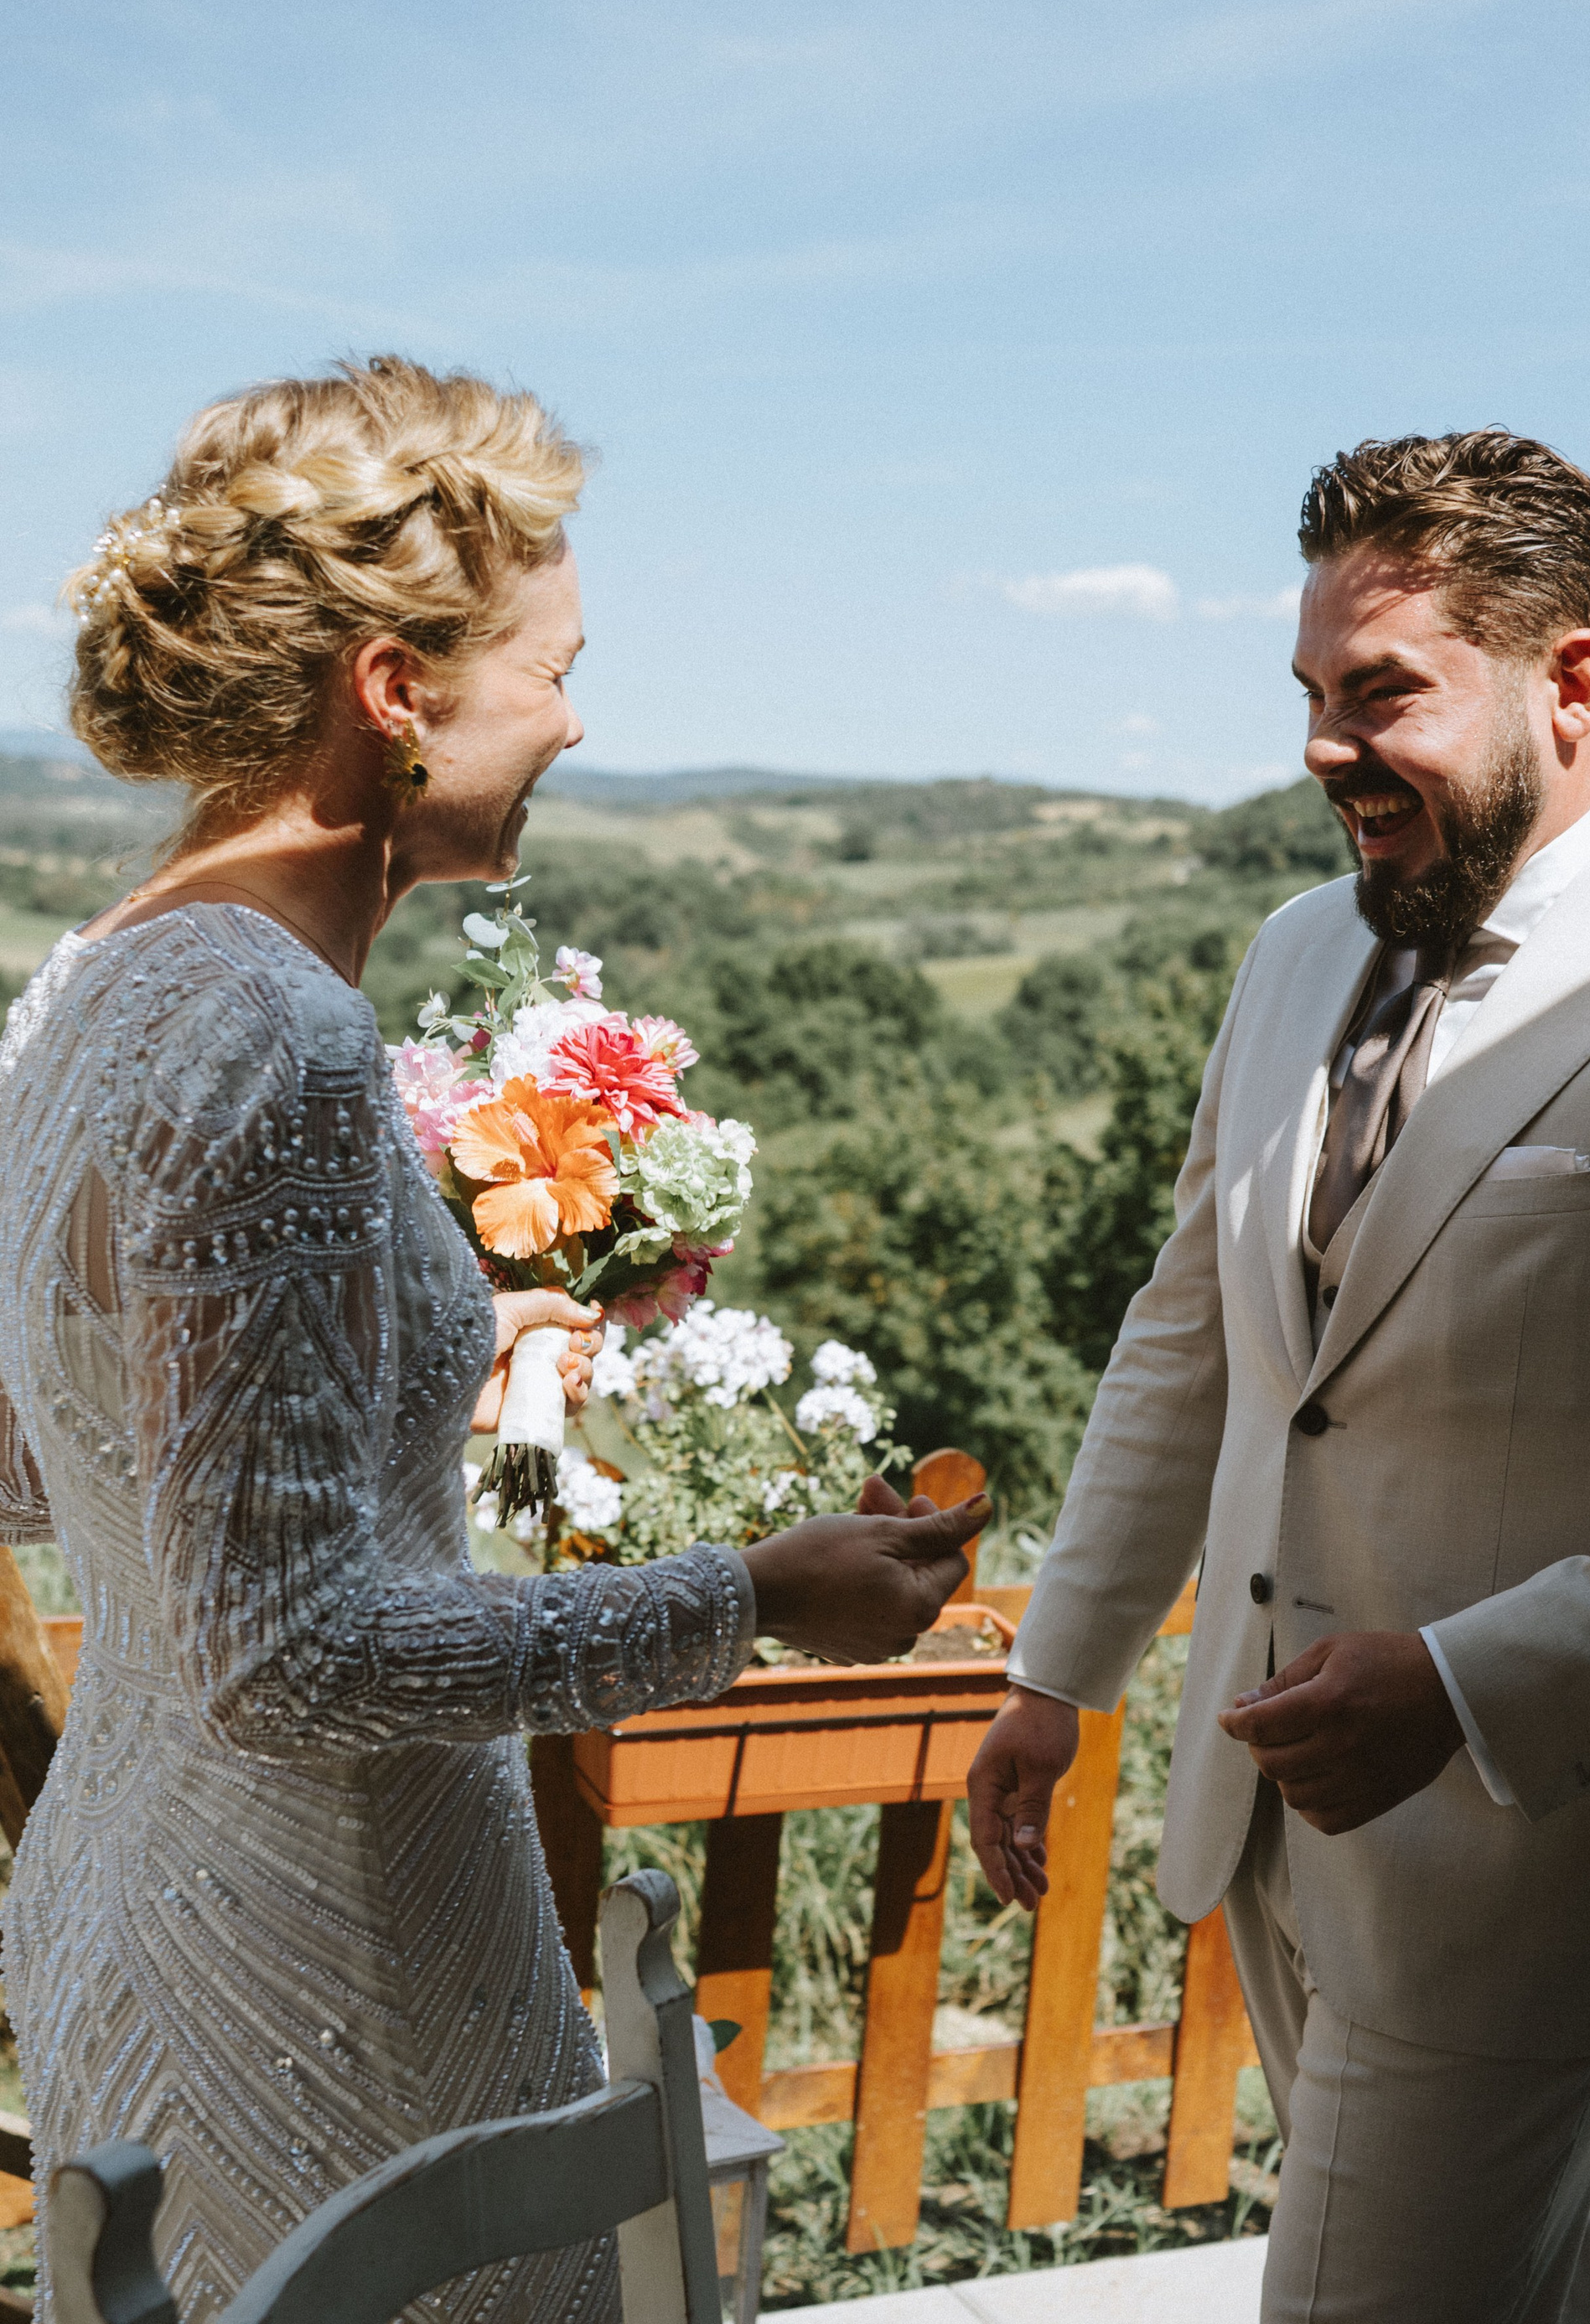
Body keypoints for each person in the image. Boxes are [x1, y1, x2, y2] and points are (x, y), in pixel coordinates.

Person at [0, 356, 989, 2324]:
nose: (573, 719)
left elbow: (48, 1451)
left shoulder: (92, 990)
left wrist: (404, 1360)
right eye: (546, 666)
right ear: (395, 690)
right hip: (336, 1946)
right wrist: (755, 1593)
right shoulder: (278, 1034)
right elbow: (288, 1657)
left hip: (125, 1909)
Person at [968, 432, 1590, 2324]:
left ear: (1570, 681)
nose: (1323, 749)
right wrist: (1055, 1673)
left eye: (1382, 694)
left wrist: (1457, 1683)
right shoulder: (1287, 958)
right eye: (1308, 698)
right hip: (1267, 1821)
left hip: (1525, 1856)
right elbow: (1196, 1330)